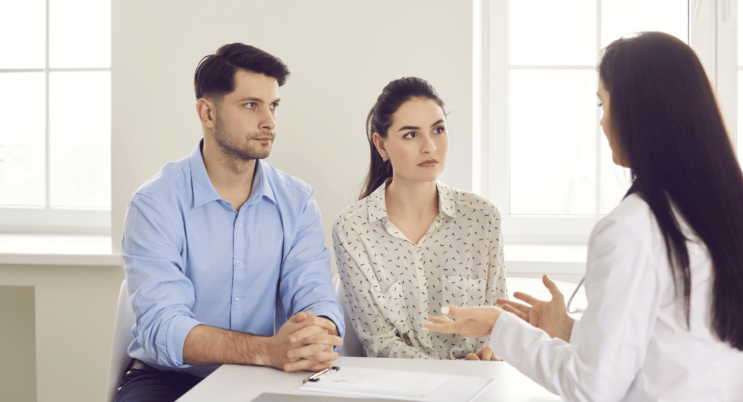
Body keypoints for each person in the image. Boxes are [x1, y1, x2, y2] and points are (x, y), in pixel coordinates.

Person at [425, 32, 743, 401]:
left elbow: (592, 387)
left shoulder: (633, 229)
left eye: (604, 104)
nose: (602, 123)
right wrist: (567, 329)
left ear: (638, 113)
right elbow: (680, 348)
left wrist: (500, 327)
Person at [116, 43, 344, 401]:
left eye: (274, 106)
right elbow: (163, 327)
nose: (269, 121)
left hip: (271, 375)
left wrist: (319, 331)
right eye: (251, 105)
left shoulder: (298, 202)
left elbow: (315, 293)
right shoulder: (154, 204)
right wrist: (266, 349)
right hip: (170, 378)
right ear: (207, 112)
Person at [333, 77, 507, 360]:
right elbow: (380, 343)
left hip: (476, 385)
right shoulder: (353, 228)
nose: (430, 147)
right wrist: (451, 376)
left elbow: (498, 319)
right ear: (382, 145)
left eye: (438, 130)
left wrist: (489, 353)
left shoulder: (483, 217)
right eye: (411, 134)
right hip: (401, 389)